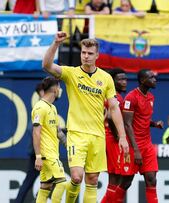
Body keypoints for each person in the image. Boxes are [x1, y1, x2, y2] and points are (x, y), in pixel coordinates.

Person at [42, 31, 129, 203]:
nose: (86, 56)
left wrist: (123, 137)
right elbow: (46, 65)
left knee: (92, 180)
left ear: (97, 55)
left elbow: (114, 107)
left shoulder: (105, 78)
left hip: (97, 135)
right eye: (83, 53)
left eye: (90, 53)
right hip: (77, 134)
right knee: (76, 177)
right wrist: (56, 44)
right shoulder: (71, 74)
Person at [118, 69, 164, 203]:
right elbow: (127, 124)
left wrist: (154, 124)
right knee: (126, 182)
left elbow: (142, 119)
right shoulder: (131, 98)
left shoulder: (150, 97)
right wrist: (136, 150)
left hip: (147, 145)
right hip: (133, 146)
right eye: (152, 77)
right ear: (143, 80)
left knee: (151, 179)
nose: (155, 80)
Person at [100, 68, 136, 203]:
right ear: (112, 81)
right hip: (112, 139)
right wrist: (118, 136)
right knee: (115, 178)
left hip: (106, 137)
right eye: (120, 79)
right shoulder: (115, 97)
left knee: (116, 178)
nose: (124, 82)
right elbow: (110, 116)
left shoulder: (107, 95)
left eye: (125, 79)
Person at [32, 77, 66, 203]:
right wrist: (38, 156)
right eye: (59, 87)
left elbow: (58, 132)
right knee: (61, 183)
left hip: (52, 152)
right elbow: (36, 132)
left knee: (45, 187)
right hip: (47, 154)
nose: (60, 90)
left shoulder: (52, 107)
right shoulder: (40, 108)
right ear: (55, 89)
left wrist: (69, 145)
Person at [14, 82, 44, 203]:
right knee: (32, 179)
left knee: (50, 180)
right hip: (38, 151)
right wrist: (38, 153)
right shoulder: (40, 107)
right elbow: (32, 128)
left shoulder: (46, 105)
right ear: (41, 92)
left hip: (41, 151)